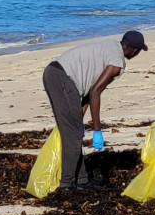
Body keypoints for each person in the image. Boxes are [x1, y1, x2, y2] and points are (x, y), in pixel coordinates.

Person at [43, 31, 146, 189]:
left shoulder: (111, 46)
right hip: (63, 78)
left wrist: (79, 115)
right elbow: (95, 92)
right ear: (133, 49)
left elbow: (89, 90)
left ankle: (82, 180)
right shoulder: (117, 62)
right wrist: (97, 129)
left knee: (74, 132)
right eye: (138, 51)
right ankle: (66, 184)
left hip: (54, 72)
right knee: (72, 136)